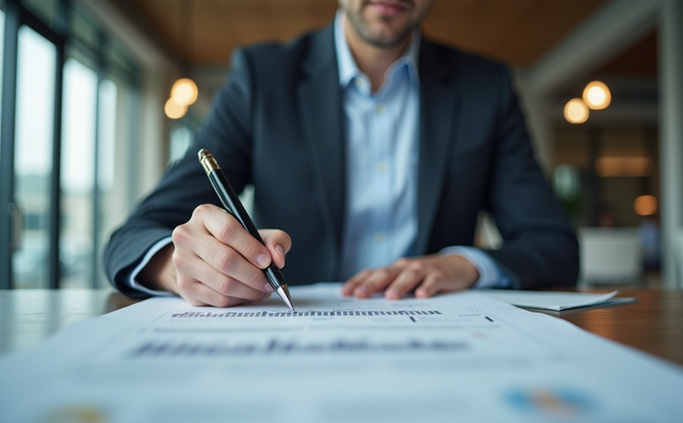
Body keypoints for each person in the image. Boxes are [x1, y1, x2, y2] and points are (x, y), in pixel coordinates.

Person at [104, 0, 579, 307]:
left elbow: (554, 246)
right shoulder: (262, 77)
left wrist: (465, 265)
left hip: (437, 347)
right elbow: (133, 237)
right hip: (291, 347)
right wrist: (178, 265)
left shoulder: (486, 88)